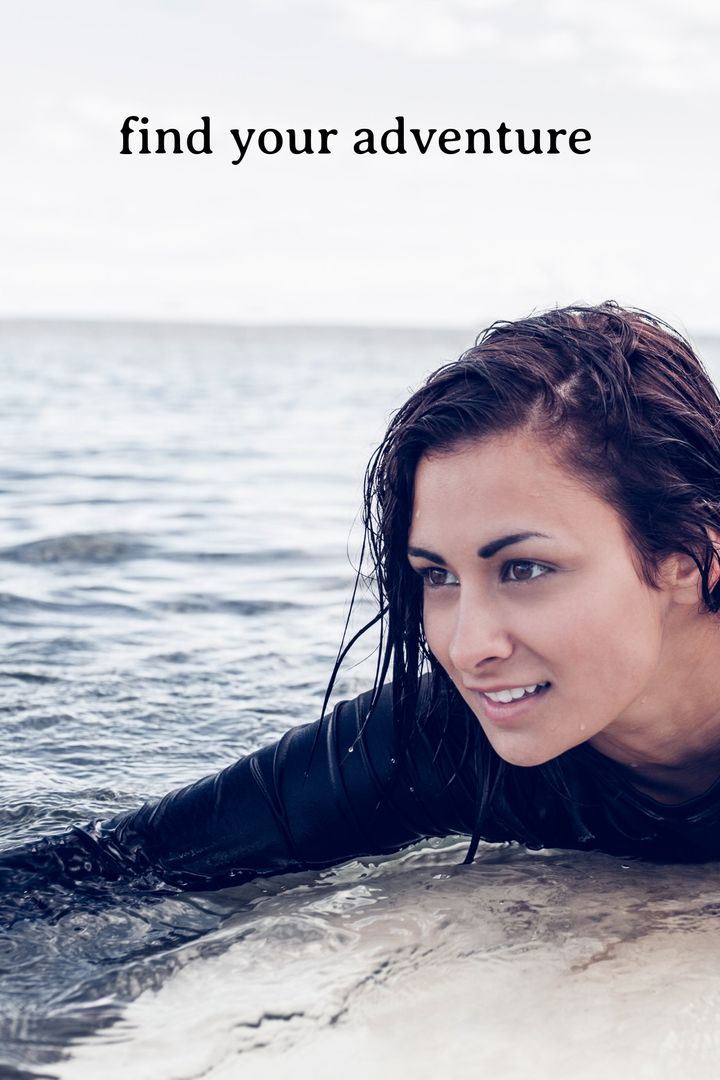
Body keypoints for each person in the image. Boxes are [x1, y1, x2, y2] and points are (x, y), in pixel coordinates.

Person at [3, 300, 720, 902]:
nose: (468, 648)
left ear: (692, 553)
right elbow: (116, 869)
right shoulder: (438, 743)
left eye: (524, 569)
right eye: (436, 576)